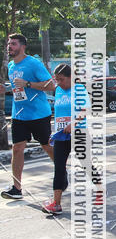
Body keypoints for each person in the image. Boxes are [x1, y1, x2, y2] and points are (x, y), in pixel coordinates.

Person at [1, 34, 55, 200]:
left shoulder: (33, 63)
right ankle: (17, 188)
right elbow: (18, 89)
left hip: (39, 114)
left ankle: (62, 169)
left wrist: (28, 84)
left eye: (13, 44)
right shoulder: (10, 65)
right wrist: (6, 89)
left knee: (46, 145)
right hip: (19, 115)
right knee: (17, 149)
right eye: (9, 44)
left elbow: (51, 85)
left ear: (22, 46)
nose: (10, 46)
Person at [41, 64, 89, 215]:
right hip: (62, 135)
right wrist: (54, 133)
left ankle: (100, 189)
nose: (58, 83)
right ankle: (56, 204)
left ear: (70, 78)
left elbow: (86, 108)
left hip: (79, 132)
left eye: (61, 79)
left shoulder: (79, 89)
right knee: (59, 167)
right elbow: (59, 113)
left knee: (86, 164)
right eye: (56, 80)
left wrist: (74, 123)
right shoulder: (58, 91)